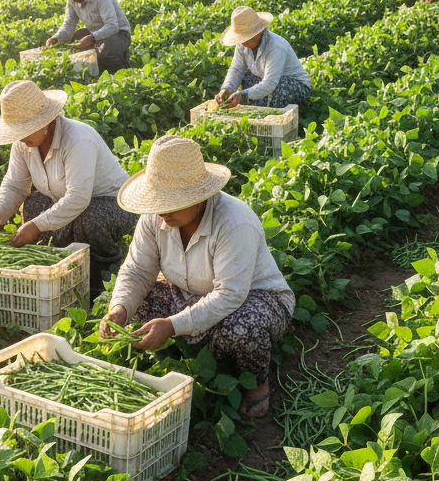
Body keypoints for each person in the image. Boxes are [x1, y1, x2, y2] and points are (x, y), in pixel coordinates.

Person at [100, 135, 295, 418]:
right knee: (134, 305)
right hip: (188, 293)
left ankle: (257, 383)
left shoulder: (234, 221)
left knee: (242, 328)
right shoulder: (156, 218)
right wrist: (119, 308)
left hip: (255, 299)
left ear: (199, 195)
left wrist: (171, 325)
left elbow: (230, 294)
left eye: (172, 202)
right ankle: (191, 357)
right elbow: (138, 270)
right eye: (159, 202)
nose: (163, 211)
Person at [0, 80, 133, 293]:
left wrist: (36, 226)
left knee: (89, 218)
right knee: (32, 205)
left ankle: (103, 271)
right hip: (65, 199)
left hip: (111, 204)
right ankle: (57, 261)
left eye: (26, 130)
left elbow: (78, 198)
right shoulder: (23, 144)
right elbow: (15, 184)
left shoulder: (78, 140)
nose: (21, 138)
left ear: (46, 122)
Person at [215, 6, 311, 108]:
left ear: (258, 32)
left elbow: (270, 83)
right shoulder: (242, 45)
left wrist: (243, 95)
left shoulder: (276, 47)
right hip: (266, 80)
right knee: (246, 79)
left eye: (247, 37)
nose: (244, 42)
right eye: (242, 38)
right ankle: (255, 103)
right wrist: (226, 89)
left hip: (295, 85)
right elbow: (236, 69)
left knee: (275, 89)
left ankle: (263, 108)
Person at [46, 0, 131, 74]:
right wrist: (56, 38)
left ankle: (121, 72)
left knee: (105, 56)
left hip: (118, 33)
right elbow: (69, 23)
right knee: (79, 49)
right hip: (96, 35)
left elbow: (112, 26)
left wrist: (92, 38)